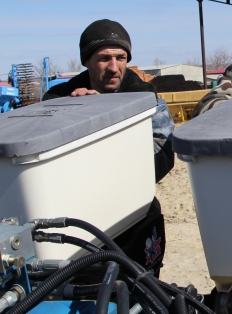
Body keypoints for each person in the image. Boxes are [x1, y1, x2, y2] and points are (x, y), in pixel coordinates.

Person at [43, 19, 174, 274]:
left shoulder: (147, 98)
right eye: (104, 58)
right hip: (78, 225)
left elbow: (163, 154)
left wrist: (108, 117)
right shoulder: (57, 101)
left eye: (121, 57)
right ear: (86, 61)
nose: (114, 67)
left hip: (135, 220)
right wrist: (80, 115)